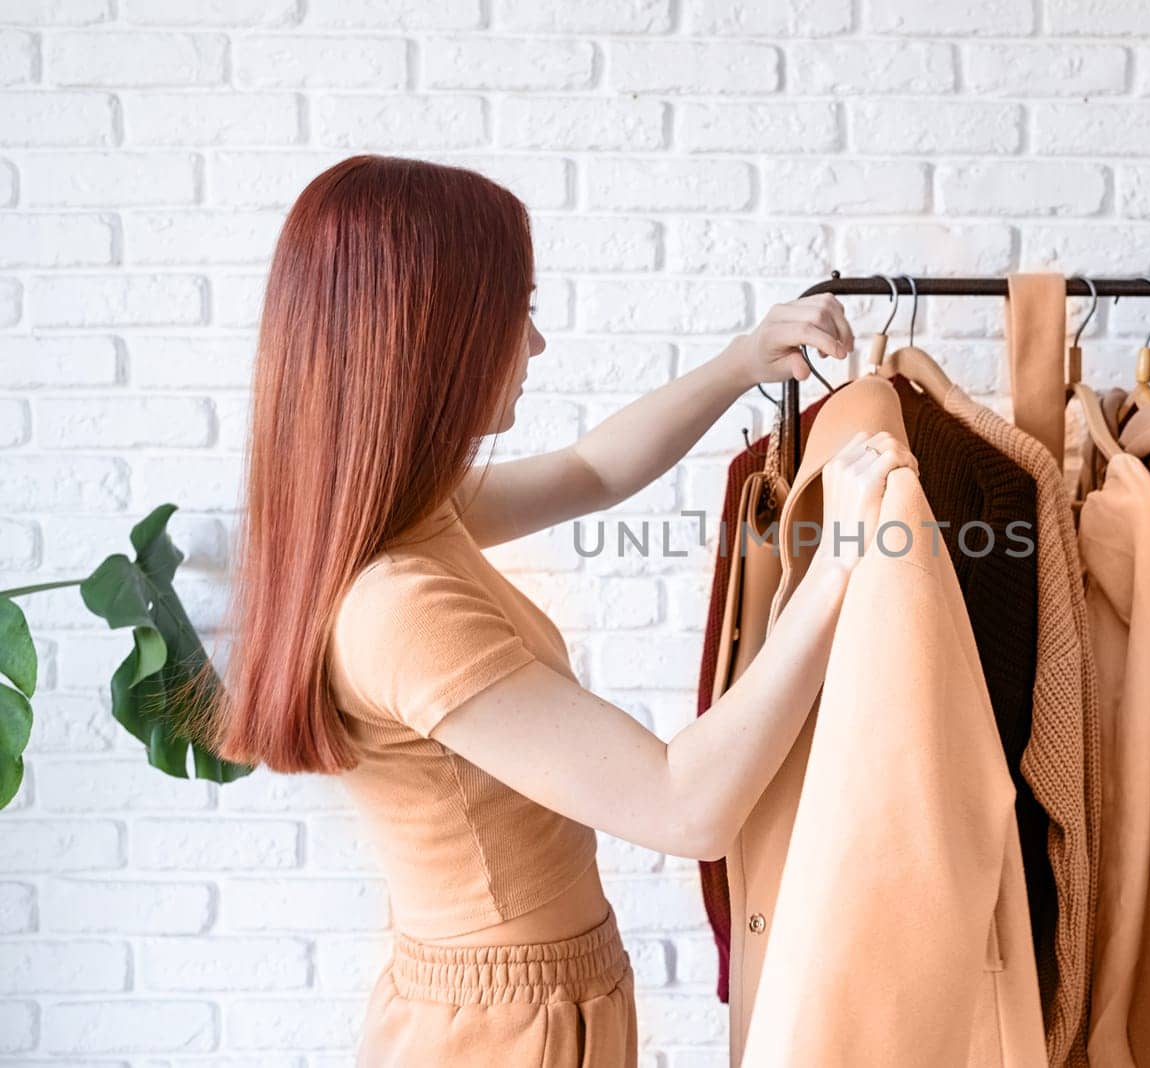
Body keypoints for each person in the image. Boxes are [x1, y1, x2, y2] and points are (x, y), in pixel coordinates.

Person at [204, 154, 914, 1066]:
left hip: (530, 1002)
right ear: (433, 337)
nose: (535, 346)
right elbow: (683, 805)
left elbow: (592, 471)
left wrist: (742, 364)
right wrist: (840, 568)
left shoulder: (407, 517)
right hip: (499, 1033)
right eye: (519, 314)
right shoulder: (398, 608)